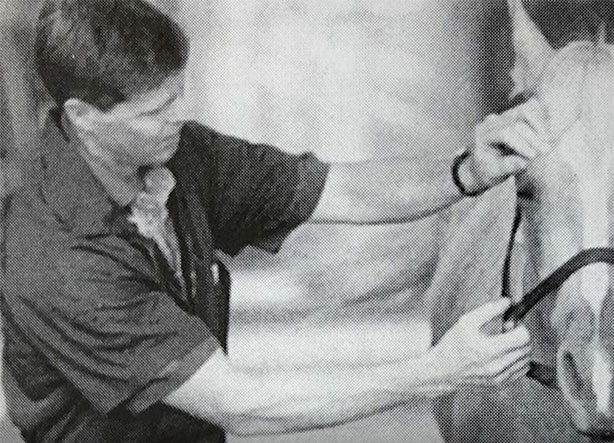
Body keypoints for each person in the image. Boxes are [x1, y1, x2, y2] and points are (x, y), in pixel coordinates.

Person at [1, 0, 552, 441]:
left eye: (178, 96)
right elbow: (241, 405)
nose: (178, 118)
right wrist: (439, 370)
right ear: (83, 118)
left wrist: (467, 169)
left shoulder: (176, 157)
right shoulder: (59, 258)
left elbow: (344, 191)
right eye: (154, 111)